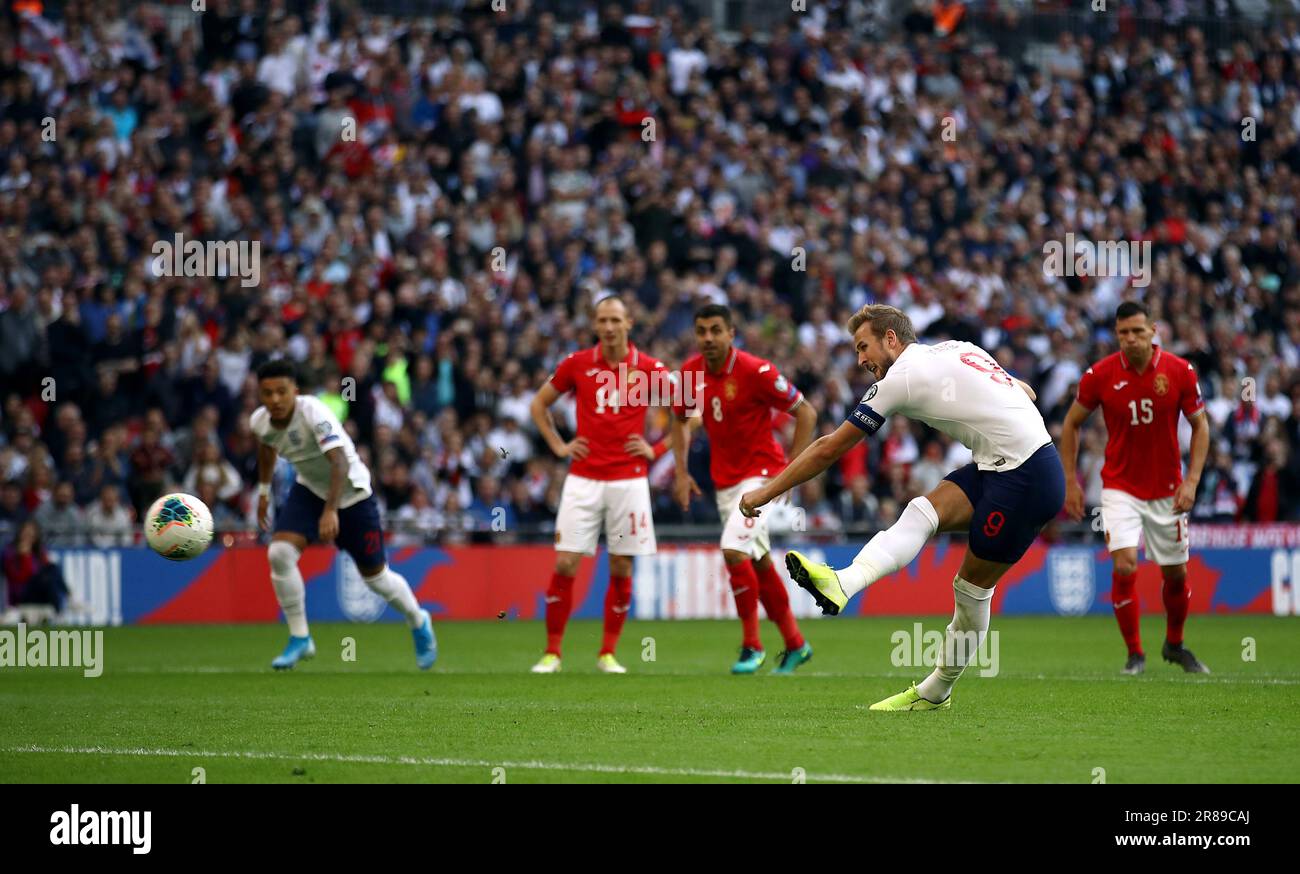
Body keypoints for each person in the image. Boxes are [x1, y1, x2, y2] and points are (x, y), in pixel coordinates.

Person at [739, 304, 1064, 711]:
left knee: (971, 589)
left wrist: (766, 492)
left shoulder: (901, 380)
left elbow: (827, 449)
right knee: (920, 511)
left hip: (1026, 478)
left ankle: (937, 691)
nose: (860, 360)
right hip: (1002, 466)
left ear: (891, 339)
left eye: (864, 347)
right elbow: (1026, 390)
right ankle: (843, 583)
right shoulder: (958, 348)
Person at [251, 359, 436, 671]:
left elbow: (340, 462)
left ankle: (418, 620)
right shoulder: (260, 421)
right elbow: (267, 447)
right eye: (267, 393)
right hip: (310, 490)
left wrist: (331, 511)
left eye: (282, 392)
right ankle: (300, 638)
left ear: (295, 391)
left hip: (353, 494)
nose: (275, 400)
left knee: (377, 579)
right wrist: (264, 492)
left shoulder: (314, 413)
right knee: (279, 553)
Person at [1061, 302, 1213, 674]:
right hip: (1120, 487)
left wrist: (1191, 481)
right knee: (1125, 564)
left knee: (1175, 575)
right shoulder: (1099, 375)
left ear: (1153, 330)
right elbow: (1070, 425)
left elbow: (1201, 427)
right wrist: (1071, 483)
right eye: (1123, 333)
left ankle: (1174, 645)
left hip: (1167, 489)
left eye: (1137, 331)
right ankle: (1135, 654)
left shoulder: (1180, 372)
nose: (1130, 339)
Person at [671, 304, 818, 674]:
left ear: (731, 333)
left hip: (762, 477)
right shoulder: (689, 373)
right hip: (725, 482)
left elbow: (806, 412)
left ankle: (751, 646)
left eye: (715, 330)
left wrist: (792, 470)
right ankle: (795, 644)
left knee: (733, 550)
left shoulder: (757, 371)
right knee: (758, 560)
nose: (708, 338)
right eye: (701, 330)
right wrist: (680, 472)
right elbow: (678, 421)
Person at [527, 295, 670, 674]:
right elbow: (538, 405)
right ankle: (552, 653)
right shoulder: (576, 364)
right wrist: (559, 445)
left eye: (615, 320)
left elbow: (690, 414)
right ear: (595, 325)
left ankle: (607, 653)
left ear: (629, 323)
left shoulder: (650, 368)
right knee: (566, 561)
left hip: (629, 481)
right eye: (602, 320)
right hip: (584, 479)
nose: (608, 327)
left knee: (621, 567)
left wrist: (656, 449)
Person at [1, 520, 68, 616]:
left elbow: (47, 571)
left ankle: (67, 599)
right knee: (48, 578)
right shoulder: (10, 552)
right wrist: (25, 558)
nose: (28, 537)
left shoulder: (39, 552)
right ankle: (60, 610)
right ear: (20, 533)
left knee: (53, 569)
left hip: (39, 592)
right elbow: (20, 578)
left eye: (31, 534)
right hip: (21, 594)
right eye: (26, 533)